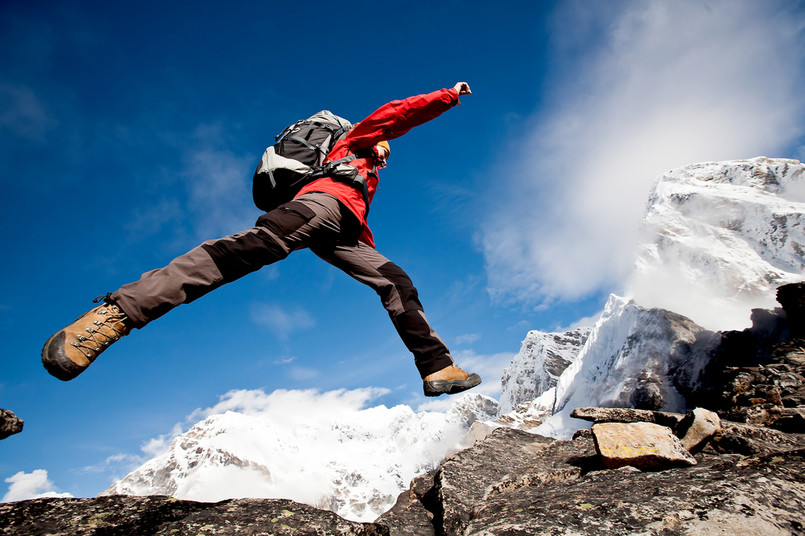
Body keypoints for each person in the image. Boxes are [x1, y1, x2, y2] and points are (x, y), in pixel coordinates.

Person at [42, 82, 481, 397]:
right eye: (384, 146)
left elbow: (356, 202)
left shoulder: (367, 173)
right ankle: (116, 314)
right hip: (319, 207)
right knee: (246, 250)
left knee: (396, 282)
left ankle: (439, 368)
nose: (386, 151)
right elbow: (397, 113)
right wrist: (447, 96)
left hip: (345, 232)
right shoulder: (355, 140)